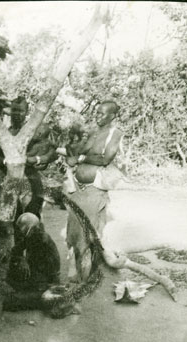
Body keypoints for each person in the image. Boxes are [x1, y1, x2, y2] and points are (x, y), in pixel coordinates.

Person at [65, 100, 124, 281]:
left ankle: (87, 275)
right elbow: (77, 152)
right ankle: (79, 272)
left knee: (89, 231)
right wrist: (77, 153)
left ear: (112, 116)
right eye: (97, 112)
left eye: (102, 113)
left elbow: (106, 159)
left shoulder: (115, 133)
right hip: (78, 188)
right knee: (74, 230)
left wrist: (81, 158)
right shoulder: (93, 132)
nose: (97, 116)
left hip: (94, 188)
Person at [7, 213, 61, 292]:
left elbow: (33, 261)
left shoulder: (38, 238)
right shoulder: (35, 233)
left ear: (27, 227)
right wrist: (10, 253)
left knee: (15, 276)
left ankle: (36, 288)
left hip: (47, 275)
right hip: (47, 271)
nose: (20, 231)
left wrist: (22, 260)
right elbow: (22, 245)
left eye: (21, 227)